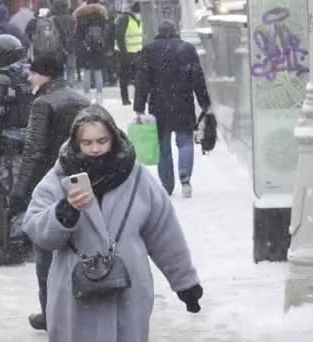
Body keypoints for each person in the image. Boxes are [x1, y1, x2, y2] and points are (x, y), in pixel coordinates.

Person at [22, 105, 203, 342]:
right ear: (76, 144)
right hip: (74, 295)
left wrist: (185, 283)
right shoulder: (58, 178)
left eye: (102, 140)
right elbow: (36, 229)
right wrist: (64, 212)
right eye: (87, 143)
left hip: (128, 290)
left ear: (113, 139)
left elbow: (164, 233)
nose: (95, 149)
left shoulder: (137, 178)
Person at [9, 55, 90, 331]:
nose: (29, 78)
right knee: (80, 245)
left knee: (45, 249)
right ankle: (83, 304)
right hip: (79, 181)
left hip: (48, 182)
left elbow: (33, 149)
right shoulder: (80, 99)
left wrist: (19, 191)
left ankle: (50, 312)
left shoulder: (43, 103)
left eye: (33, 73)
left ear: (45, 75)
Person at [133, 20, 211, 198]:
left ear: (159, 32)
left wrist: (139, 106)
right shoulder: (187, 49)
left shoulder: (150, 50)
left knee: (163, 146)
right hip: (183, 103)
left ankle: (167, 185)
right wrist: (204, 102)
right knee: (185, 143)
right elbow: (198, 78)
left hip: (159, 105)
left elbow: (142, 80)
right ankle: (185, 179)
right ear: (176, 32)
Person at [0, 34, 33, 266]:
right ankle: (27, 243)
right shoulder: (30, 74)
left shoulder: (0, 78)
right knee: (26, 192)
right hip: (31, 143)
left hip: (7, 145)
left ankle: (13, 246)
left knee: (6, 194)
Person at [74, 0, 107, 104]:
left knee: (86, 73)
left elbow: (77, 36)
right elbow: (106, 32)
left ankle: (87, 97)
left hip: (85, 49)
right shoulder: (102, 16)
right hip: (99, 48)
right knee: (98, 73)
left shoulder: (81, 16)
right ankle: (100, 97)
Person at [115, 2, 142, 105]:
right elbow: (119, 37)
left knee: (138, 78)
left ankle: (138, 99)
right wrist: (123, 52)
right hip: (125, 53)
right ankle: (125, 99)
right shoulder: (124, 19)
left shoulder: (139, 20)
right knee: (124, 78)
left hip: (137, 53)